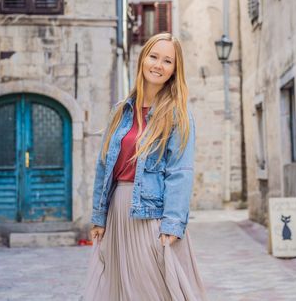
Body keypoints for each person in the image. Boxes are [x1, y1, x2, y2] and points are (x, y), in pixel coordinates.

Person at [84, 32, 207, 301]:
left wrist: (172, 224)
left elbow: (180, 172)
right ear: (142, 59)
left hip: (151, 214)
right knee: (120, 290)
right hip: (118, 212)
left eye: (167, 61)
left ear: (175, 70)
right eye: (153, 56)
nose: (158, 65)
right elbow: (105, 166)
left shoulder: (178, 114)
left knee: (154, 290)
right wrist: (99, 215)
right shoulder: (121, 111)